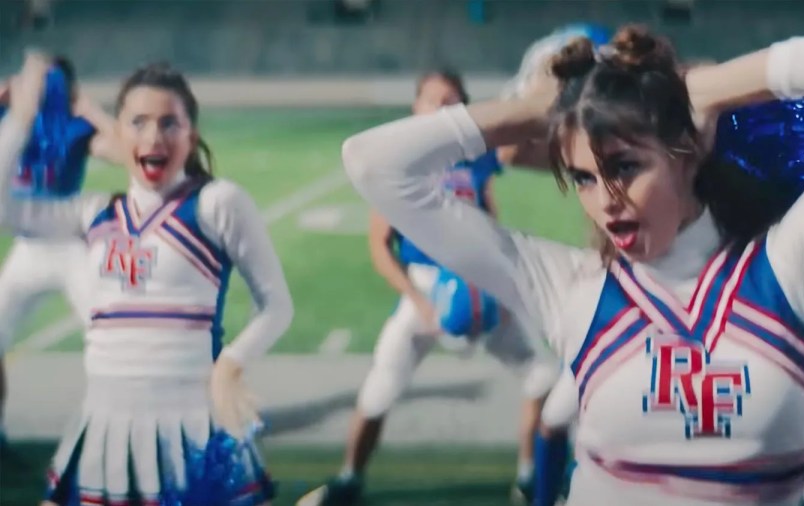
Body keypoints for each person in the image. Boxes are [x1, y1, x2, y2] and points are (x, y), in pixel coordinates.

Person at [342, 22, 804, 506]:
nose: (604, 202)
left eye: (624, 168)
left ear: (688, 151)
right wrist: (543, 109)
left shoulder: (796, 265)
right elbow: (371, 163)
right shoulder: (568, 286)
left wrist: (698, 91)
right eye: (585, 179)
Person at [0, 53, 292, 505]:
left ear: (191, 136)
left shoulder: (217, 204)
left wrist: (231, 364)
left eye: (170, 123)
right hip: (104, 427)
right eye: (138, 122)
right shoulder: (92, 212)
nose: (154, 135)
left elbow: (276, 306)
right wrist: (21, 113)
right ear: (118, 134)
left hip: (191, 425)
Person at [299, 69, 559, 506]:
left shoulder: (476, 158)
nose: (444, 108)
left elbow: (490, 224)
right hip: (424, 286)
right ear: (416, 107)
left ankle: (529, 476)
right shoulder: (401, 160)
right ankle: (348, 478)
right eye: (435, 99)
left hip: (476, 284)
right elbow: (381, 247)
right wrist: (420, 303)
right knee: (379, 390)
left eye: (453, 100)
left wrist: (503, 288)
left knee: (542, 377)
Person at [0, 55, 118, 451]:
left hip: (69, 247)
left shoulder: (75, 126)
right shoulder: (12, 118)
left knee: (109, 340)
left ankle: (120, 427)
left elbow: (124, 152)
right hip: (27, 247)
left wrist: (92, 111)